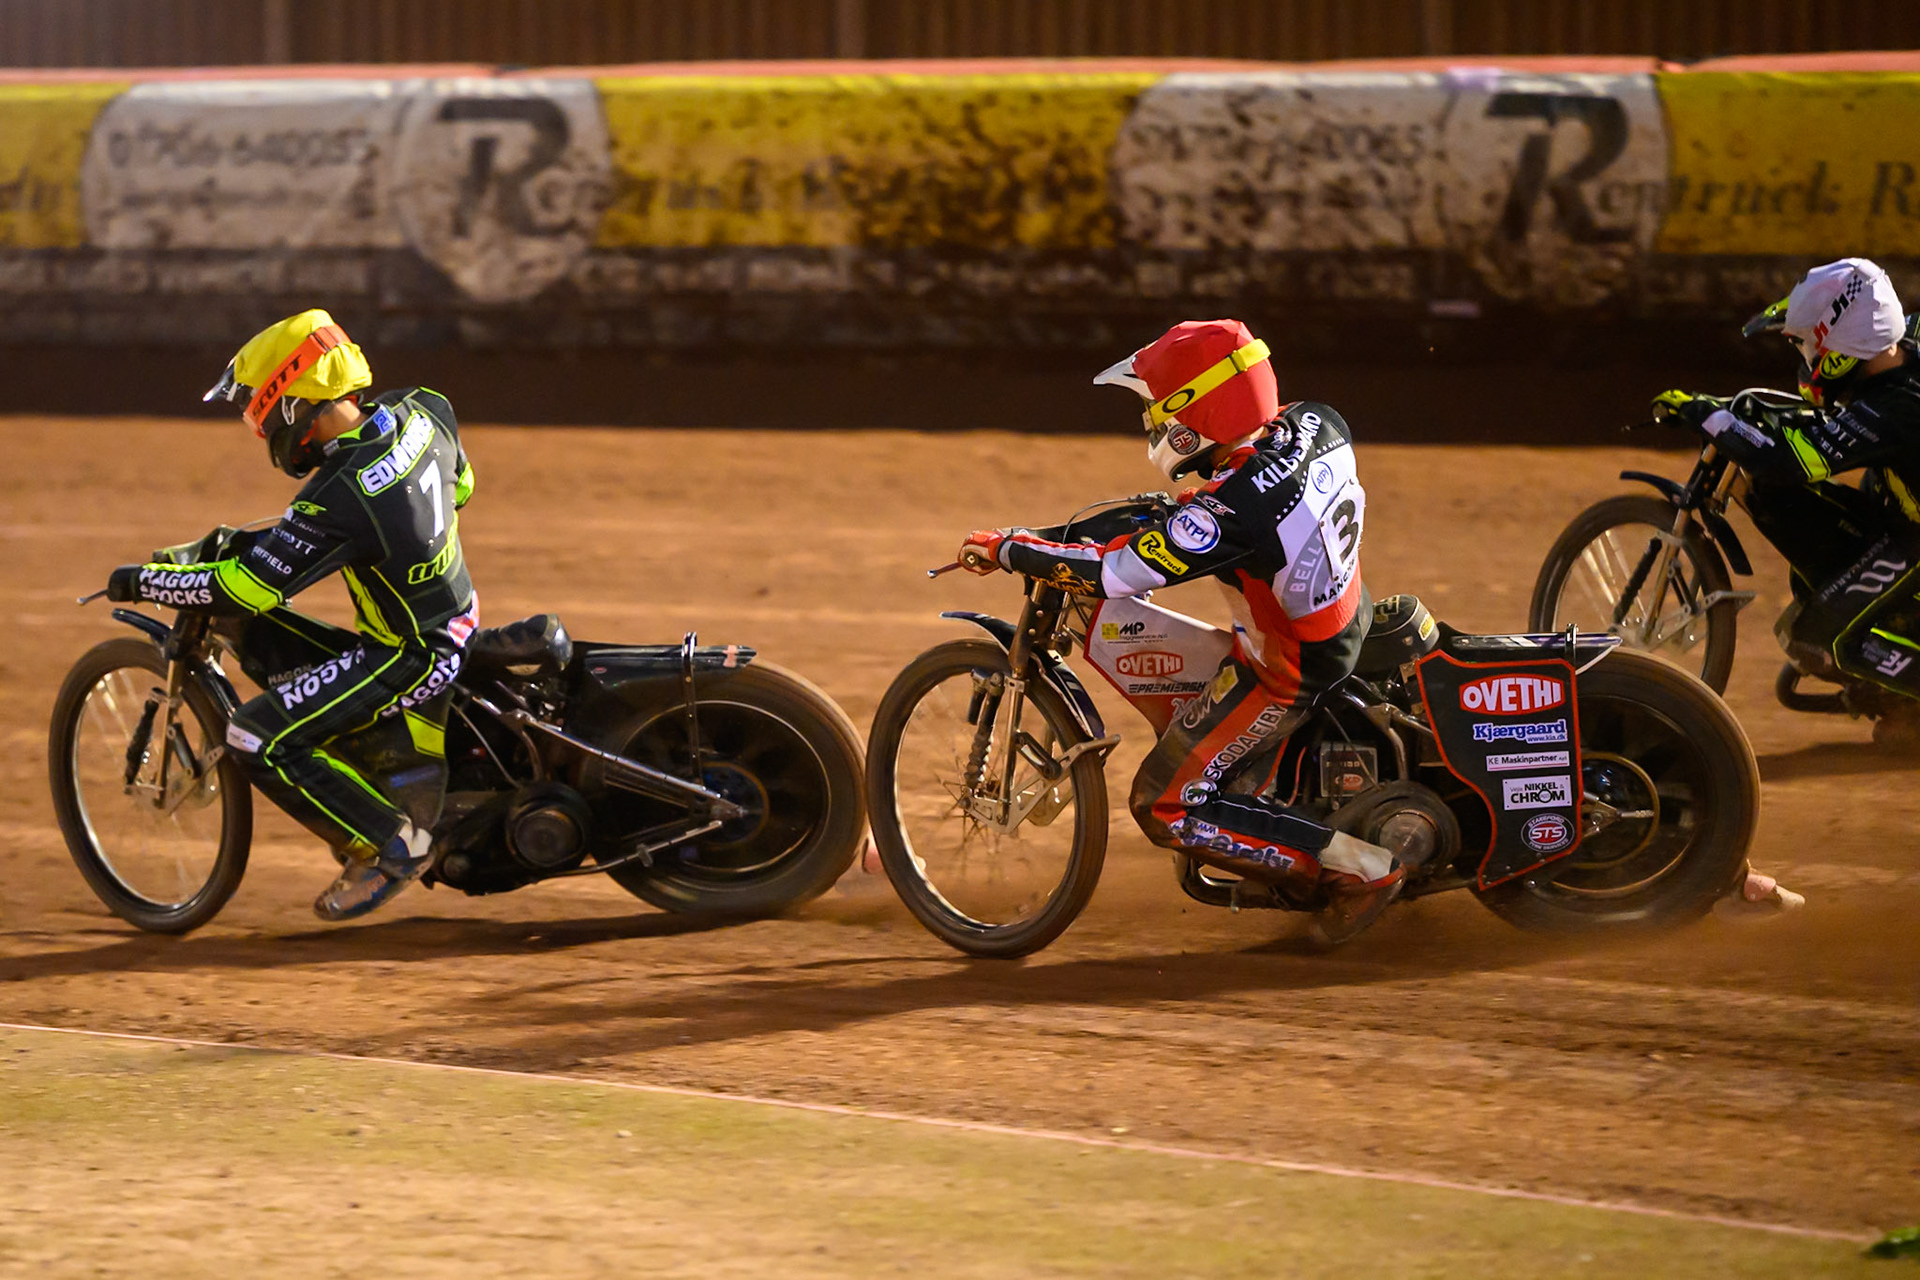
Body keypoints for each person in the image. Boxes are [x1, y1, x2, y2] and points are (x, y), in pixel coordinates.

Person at [956, 318, 1405, 944]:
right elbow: (1216, 506)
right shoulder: (1318, 422)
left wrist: (1009, 549)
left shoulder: (1237, 510)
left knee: (1163, 803)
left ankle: (1358, 869)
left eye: (1159, 411)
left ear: (1199, 410)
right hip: (1344, 616)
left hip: (1288, 669)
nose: (1152, 424)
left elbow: (1115, 572)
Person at [104, 308, 479, 921]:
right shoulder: (423, 408)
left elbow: (245, 593)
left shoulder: (338, 493)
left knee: (255, 734)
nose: (260, 432)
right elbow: (461, 486)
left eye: (260, 413)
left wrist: (147, 581)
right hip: (456, 614)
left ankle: (394, 846)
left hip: (411, 652)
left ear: (291, 403)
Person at [1655, 257, 1920, 751]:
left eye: (1807, 346)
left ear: (1839, 352)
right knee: (1823, 555)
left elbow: (1782, 462)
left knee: (1814, 637)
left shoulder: (1894, 410)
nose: (1804, 357)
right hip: (1903, 509)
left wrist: (1706, 414)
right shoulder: (1904, 343)